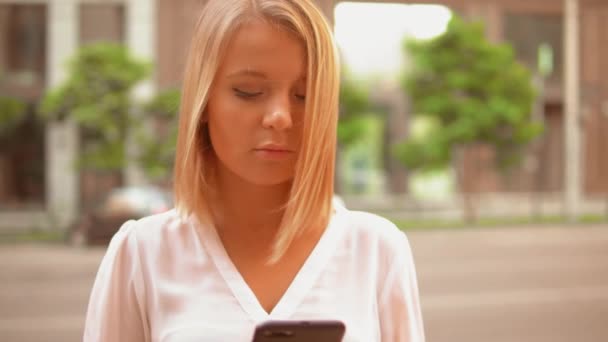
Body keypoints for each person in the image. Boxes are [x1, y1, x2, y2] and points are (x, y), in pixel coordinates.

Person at [83, 0, 425, 341]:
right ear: (204, 101)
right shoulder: (142, 253)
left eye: (304, 95)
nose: (280, 116)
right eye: (248, 92)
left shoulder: (377, 250)